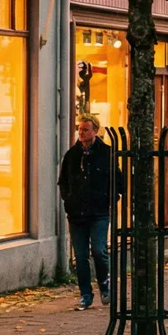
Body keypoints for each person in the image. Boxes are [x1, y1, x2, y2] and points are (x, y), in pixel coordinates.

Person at [56, 116, 117, 311]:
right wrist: (69, 199)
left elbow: (118, 180)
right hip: (77, 214)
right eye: (80, 130)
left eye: (85, 130)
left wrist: (110, 198)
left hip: (99, 212)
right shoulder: (72, 155)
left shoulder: (106, 153)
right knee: (80, 256)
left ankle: (105, 288)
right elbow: (63, 181)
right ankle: (85, 295)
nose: (81, 133)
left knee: (99, 251)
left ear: (95, 131)